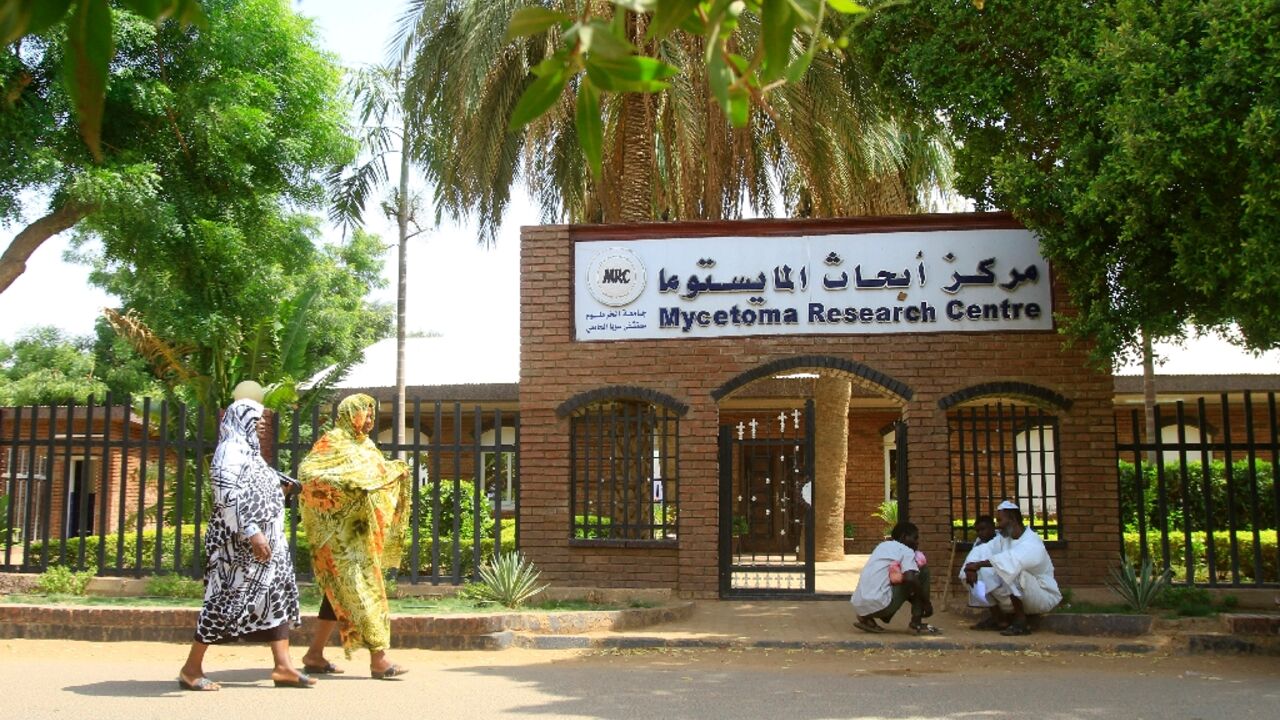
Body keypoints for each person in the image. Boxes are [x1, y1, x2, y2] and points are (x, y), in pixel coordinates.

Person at [178, 398, 313, 691]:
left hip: (267, 546)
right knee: (224, 601)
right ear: (239, 420)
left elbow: (256, 491)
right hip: (238, 547)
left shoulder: (251, 454)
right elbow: (226, 495)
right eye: (255, 418)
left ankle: (283, 667)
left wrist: (282, 489)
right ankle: (191, 669)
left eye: (262, 418)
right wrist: (252, 532)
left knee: (275, 599)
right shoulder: (229, 451)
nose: (261, 423)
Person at [298, 394, 411, 679]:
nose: (370, 420)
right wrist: (351, 484)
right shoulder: (332, 442)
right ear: (351, 414)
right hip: (336, 537)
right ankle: (379, 660)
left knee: (337, 593)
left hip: (361, 534)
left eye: (372, 415)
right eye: (366, 414)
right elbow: (308, 475)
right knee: (364, 590)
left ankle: (314, 655)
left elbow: (376, 478)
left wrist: (393, 472)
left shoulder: (367, 446)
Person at [964, 500, 1062, 635]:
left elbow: (1013, 560)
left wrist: (978, 564)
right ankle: (999, 619)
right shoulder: (1004, 539)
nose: (998, 525)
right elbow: (983, 550)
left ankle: (1021, 623)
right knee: (980, 574)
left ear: (1013, 520)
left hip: (1041, 596)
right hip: (1017, 596)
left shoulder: (1032, 541)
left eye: (1000, 520)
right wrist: (970, 566)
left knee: (1013, 570)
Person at [850, 521, 940, 634]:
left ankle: (866, 618)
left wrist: (913, 597)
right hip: (881, 606)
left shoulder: (881, 546)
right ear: (904, 537)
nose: (917, 542)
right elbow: (910, 579)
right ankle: (916, 623)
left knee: (905, 581)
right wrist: (926, 603)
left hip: (860, 605)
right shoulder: (906, 551)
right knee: (922, 572)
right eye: (915, 538)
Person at [958, 515, 1004, 608]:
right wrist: (969, 570)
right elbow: (970, 561)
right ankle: (995, 611)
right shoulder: (978, 544)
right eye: (978, 531)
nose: (980, 533)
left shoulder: (1002, 540)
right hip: (984, 578)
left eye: (983, 529)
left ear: (992, 527)